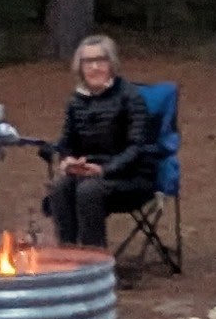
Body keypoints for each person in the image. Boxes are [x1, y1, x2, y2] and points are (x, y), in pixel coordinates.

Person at [41, 33, 157, 252]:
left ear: (111, 64)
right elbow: (66, 143)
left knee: (88, 190)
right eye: (88, 61)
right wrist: (68, 161)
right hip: (87, 174)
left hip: (131, 177)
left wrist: (104, 170)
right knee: (59, 187)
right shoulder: (76, 101)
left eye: (100, 60)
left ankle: (94, 261)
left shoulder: (130, 97)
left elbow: (137, 148)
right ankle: (68, 255)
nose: (94, 67)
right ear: (80, 67)